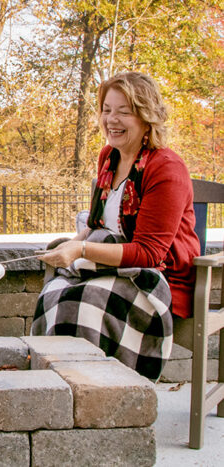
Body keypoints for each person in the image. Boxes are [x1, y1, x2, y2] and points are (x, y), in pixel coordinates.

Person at [32, 72, 200, 380]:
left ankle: (107, 393)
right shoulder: (109, 157)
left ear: (147, 116)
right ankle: (58, 388)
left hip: (154, 277)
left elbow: (149, 253)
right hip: (108, 267)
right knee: (55, 293)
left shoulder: (166, 168)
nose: (112, 119)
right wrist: (70, 243)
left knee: (84, 302)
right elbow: (98, 222)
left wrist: (81, 248)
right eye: (107, 110)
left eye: (124, 111)